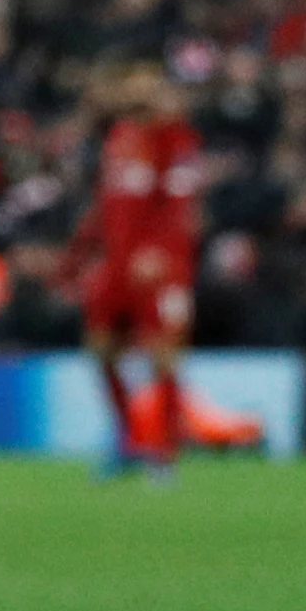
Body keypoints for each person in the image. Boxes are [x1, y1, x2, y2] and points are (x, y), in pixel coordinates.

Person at [65, 61, 202, 480]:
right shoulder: (119, 138)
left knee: (164, 356)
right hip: (116, 266)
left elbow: (180, 208)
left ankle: (165, 453)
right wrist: (79, 254)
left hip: (160, 266)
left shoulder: (175, 139)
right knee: (101, 349)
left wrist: (160, 252)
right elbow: (108, 206)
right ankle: (128, 439)